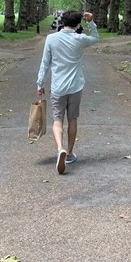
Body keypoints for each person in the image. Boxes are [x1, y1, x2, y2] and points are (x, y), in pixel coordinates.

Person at [36, 10, 99, 174]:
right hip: (75, 86)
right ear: (78, 23)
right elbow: (95, 38)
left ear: (62, 22)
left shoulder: (51, 39)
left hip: (58, 87)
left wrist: (40, 83)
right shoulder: (80, 39)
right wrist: (91, 22)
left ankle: (59, 149)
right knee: (72, 119)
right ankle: (69, 154)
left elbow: (45, 63)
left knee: (57, 120)